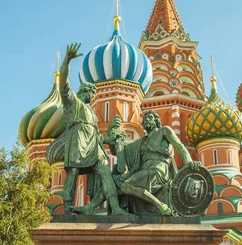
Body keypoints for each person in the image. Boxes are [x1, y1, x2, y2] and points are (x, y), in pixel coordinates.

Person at [72, 109, 202, 215]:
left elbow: (179, 146)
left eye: (149, 118)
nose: (146, 120)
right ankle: (90, 207)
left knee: (126, 186)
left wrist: (189, 161)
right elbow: (119, 152)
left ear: (156, 121)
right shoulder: (141, 142)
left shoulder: (164, 131)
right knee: (112, 180)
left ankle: (160, 205)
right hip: (143, 172)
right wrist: (113, 132)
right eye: (144, 119)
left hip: (158, 171)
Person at [57, 42, 126, 215]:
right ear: (84, 92)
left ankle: (115, 208)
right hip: (77, 143)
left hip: (94, 148)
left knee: (106, 173)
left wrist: (111, 138)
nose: (92, 96)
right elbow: (63, 83)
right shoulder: (73, 103)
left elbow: (96, 136)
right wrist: (67, 60)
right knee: (73, 173)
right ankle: (66, 208)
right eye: (91, 93)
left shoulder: (91, 113)